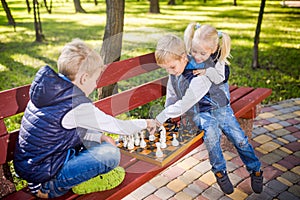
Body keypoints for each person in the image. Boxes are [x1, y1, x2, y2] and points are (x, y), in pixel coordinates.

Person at [13, 39, 155, 198]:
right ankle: (76, 184)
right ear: (84, 78)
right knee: (110, 154)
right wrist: (146, 123)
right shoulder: (76, 106)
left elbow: (63, 133)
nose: (95, 85)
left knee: (96, 134)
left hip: (44, 167)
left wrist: (99, 136)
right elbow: (117, 126)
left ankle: (78, 174)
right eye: (95, 80)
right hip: (46, 183)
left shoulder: (50, 93)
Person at [154, 33, 263, 195]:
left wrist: (162, 115)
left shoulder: (199, 71)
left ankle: (255, 170)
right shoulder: (174, 73)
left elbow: (186, 102)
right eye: (166, 69)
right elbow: (172, 95)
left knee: (239, 139)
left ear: (184, 57)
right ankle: (220, 171)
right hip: (200, 111)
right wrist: (167, 117)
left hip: (219, 107)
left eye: (172, 67)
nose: (170, 72)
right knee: (211, 136)